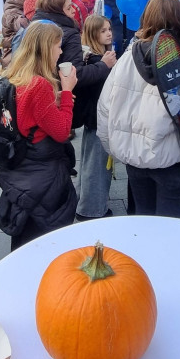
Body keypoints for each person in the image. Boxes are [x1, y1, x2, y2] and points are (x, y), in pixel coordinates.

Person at [98, 0, 180, 218]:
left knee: (143, 219)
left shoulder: (125, 60)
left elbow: (105, 111)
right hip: (172, 162)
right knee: (168, 227)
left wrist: (116, 148)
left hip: (135, 160)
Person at [0, 21, 79, 250]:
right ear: (45, 49)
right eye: (58, 46)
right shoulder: (39, 85)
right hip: (41, 172)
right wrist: (67, 91)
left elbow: (31, 116)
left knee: (25, 239)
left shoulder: (16, 73)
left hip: (20, 166)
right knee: (43, 240)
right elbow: (62, 131)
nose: (61, 51)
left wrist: (58, 103)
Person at [30, 0, 115, 130]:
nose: (74, 11)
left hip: (39, 93)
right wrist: (103, 65)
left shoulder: (33, 27)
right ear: (57, 10)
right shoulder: (68, 33)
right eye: (69, 8)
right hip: (57, 97)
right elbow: (76, 74)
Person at [76, 14, 114, 221]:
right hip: (98, 119)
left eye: (109, 29)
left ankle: (84, 202)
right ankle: (91, 210)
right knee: (97, 167)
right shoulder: (97, 60)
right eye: (102, 30)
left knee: (90, 163)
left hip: (94, 119)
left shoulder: (93, 57)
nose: (108, 33)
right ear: (92, 34)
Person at [0, 0, 35, 68]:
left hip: (22, 54)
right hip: (15, 58)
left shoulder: (22, 6)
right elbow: (22, 25)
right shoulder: (11, 10)